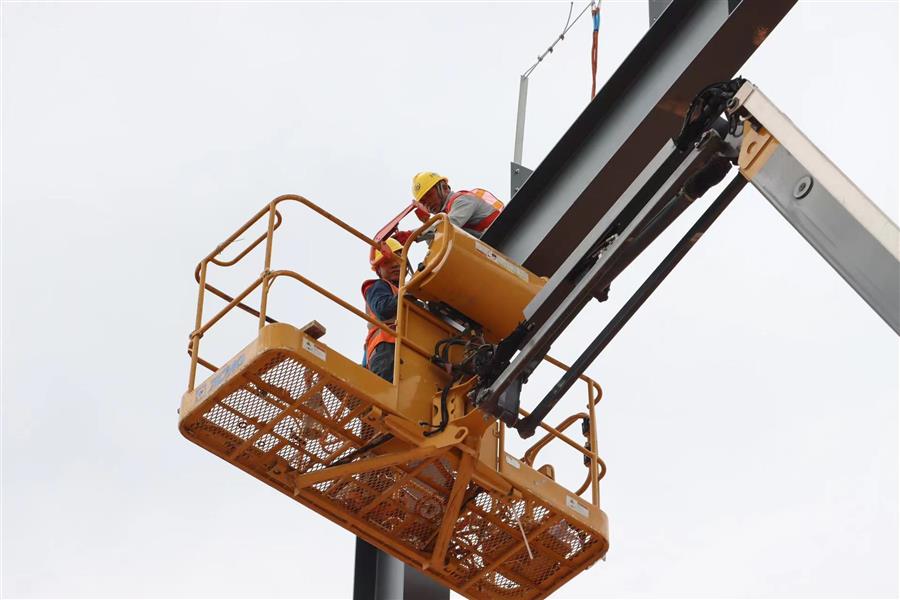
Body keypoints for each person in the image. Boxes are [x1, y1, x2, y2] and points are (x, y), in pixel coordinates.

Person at [407, 171, 503, 240]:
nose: (427, 203)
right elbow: (437, 241)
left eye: (429, 195)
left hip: (500, 236)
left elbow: (448, 225)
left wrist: (412, 234)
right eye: (423, 202)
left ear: (444, 187)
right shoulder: (445, 215)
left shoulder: (462, 200)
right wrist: (426, 222)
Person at [361, 237, 403, 382]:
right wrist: (407, 294)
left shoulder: (404, 290)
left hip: (406, 348)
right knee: (386, 390)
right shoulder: (378, 286)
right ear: (379, 269)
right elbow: (383, 309)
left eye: (398, 259)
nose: (395, 264)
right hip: (385, 348)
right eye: (387, 262)